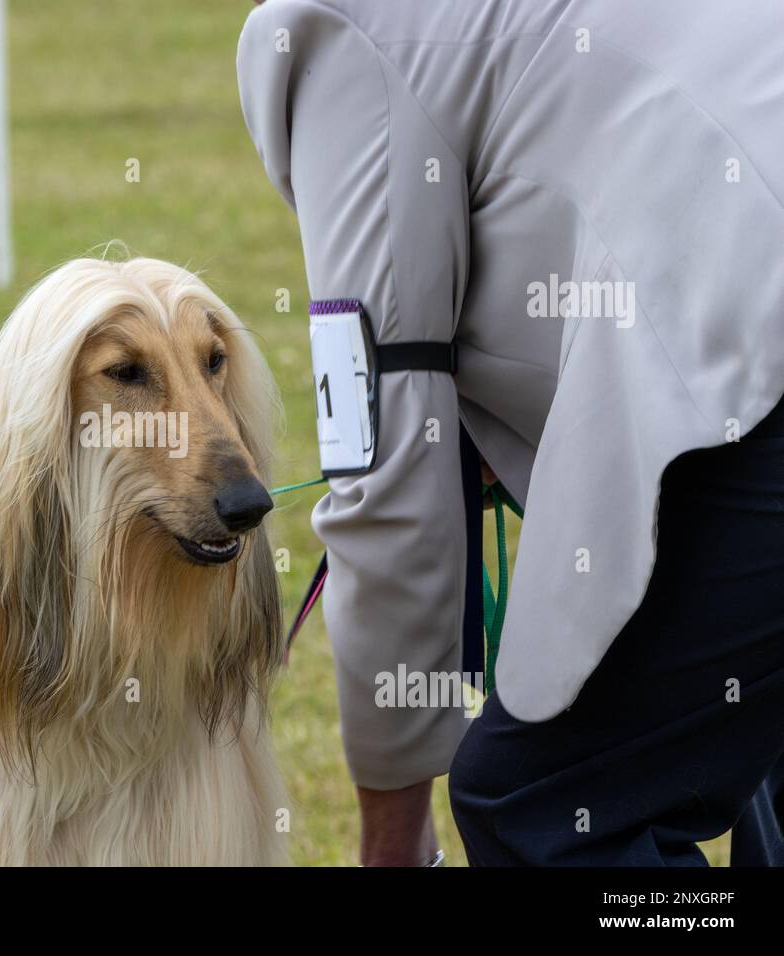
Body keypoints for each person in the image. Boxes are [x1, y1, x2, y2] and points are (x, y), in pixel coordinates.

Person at [237, 0, 784, 865]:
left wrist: (393, 841)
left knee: (544, 803)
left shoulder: (334, 27)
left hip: (754, 337)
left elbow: (384, 459)